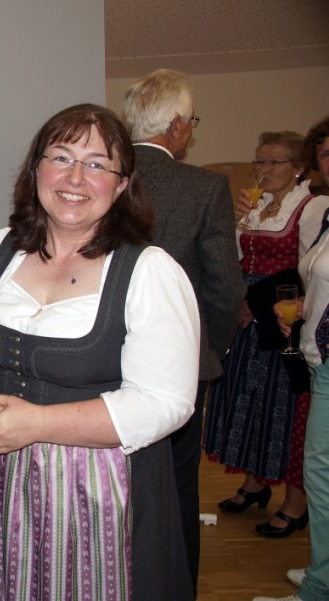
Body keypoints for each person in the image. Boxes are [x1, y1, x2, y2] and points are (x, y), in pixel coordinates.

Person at [0, 103, 199, 601]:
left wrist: (37, 424)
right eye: (61, 157)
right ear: (36, 169)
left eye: (97, 164)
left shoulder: (149, 271)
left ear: (121, 185)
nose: (75, 177)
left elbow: (166, 402)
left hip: (100, 491)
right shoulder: (1, 248)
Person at [123, 68, 246, 594]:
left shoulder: (99, 177)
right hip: (178, 367)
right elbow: (223, 287)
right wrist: (210, 349)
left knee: (112, 485)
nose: (191, 131)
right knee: (176, 486)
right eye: (192, 121)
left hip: (104, 361)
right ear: (175, 125)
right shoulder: (205, 187)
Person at [204, 130, 328, 540]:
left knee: (288, 410)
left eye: (275, 162)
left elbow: (305, 272)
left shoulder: (312, 207)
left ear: (299, 168)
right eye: (260, 161)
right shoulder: (256, 207)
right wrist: (237, 221)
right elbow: (238, 259)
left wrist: (257, 302)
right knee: (251, 399)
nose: (264, 169)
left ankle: (296, 503)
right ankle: (255, 483)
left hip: (283, 321)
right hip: (247, 320)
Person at [255, 115, 329, 601]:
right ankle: (322, 576)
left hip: (323, 354)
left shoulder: (313, 207)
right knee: (320, 471)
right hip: (318, 354)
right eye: (325, 153)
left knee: (319, 470)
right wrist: (303, 307)